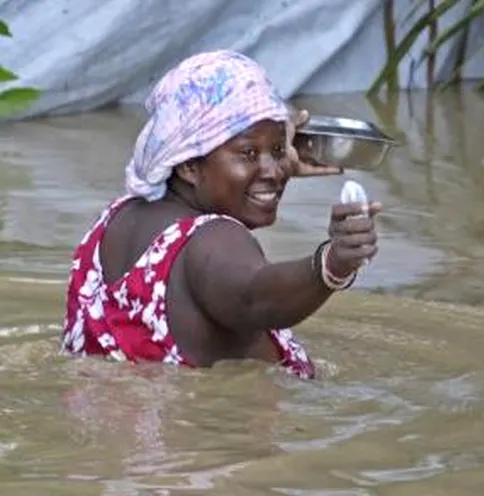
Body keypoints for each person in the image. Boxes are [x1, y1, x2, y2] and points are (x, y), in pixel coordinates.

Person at [60, 50, 381, 380]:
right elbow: (255, 297)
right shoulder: (214, 238)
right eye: (248, 152)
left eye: (278, 149)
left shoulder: (117, 219)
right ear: (188, 165)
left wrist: (259, 166)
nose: (275, 170)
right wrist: (332, 264)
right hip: (216, 427)